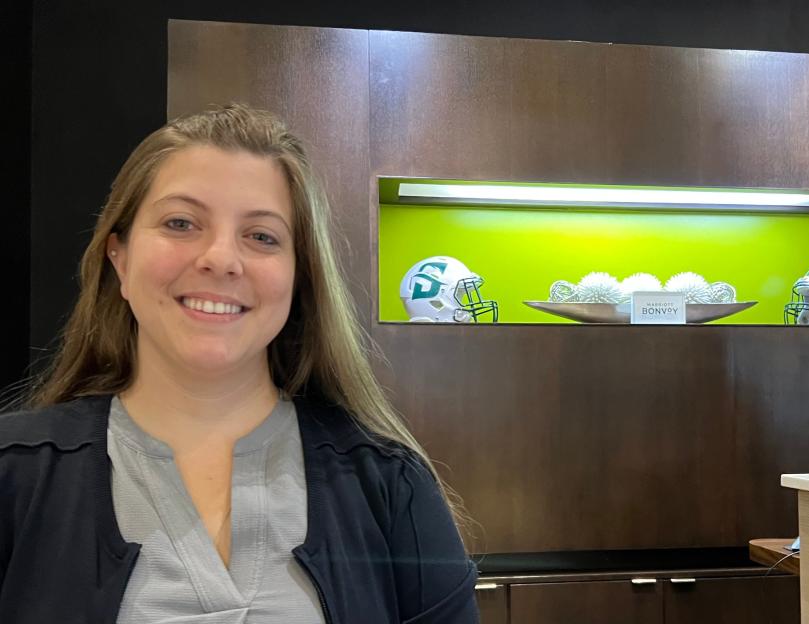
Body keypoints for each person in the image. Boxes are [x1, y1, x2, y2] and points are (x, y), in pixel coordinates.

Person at [0, 104, 479, 623]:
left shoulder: (391, 485)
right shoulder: (13, 473)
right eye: (181, 223)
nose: (221, 258)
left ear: (299, 277)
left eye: (262, 236)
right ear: (119, 257)